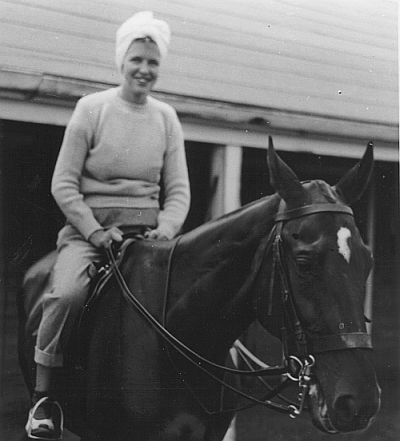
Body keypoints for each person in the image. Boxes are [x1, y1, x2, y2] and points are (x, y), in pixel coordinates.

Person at [25, 11, 190, 440]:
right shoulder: (91, 109)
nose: (145, 70)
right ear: (122, 61)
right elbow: (63, 184)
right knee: (66, 294)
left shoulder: (167, 118)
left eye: (153, 63)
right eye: (137, 59)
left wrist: (167, 230)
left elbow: (178, 191)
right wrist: (95, 231)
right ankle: (46, 399)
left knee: (193, 297)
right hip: (91, 236)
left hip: (150, 239)